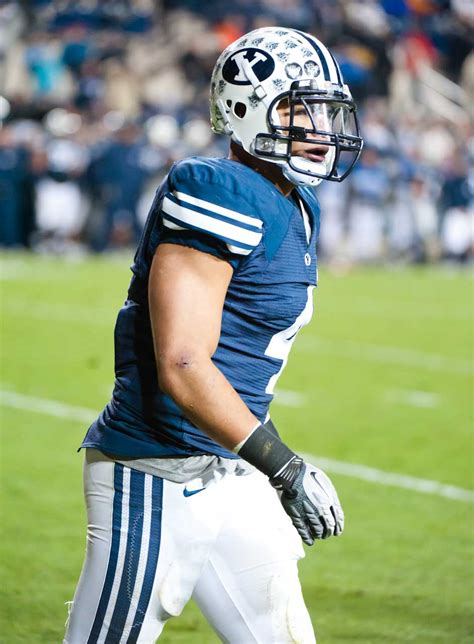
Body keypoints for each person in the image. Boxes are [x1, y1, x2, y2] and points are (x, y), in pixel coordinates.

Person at [64, 26, 363, 644]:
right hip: (156, 469)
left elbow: (237, 360)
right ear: (248, 111)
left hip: (229, 469)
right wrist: (284, 467)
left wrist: (264, 453)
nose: (318, 126)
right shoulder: (218, 189)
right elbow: (181, 360)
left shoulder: (293, 200)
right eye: (297, 109)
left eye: (322, 109)